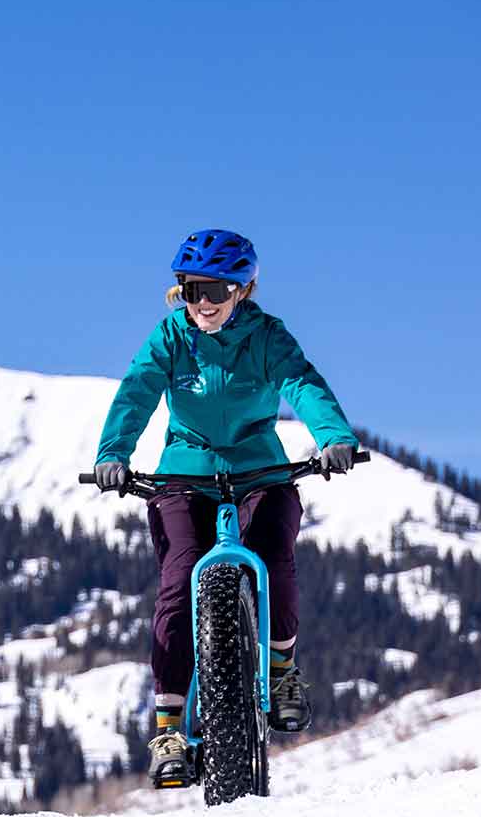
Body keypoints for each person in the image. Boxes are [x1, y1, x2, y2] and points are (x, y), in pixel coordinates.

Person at [93, 228, 358, 788]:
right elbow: (137, 391)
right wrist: (112, 453)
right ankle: (168, 726)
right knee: (179, 576)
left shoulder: (266, 336)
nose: (204, 303)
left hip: (259, 464)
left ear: (245, 289)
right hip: (184, 471)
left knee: (272, 552)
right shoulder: (171, 336)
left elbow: (301, 383)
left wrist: (333, 436)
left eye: (217, 290)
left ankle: (282, 667)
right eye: (192, 290)